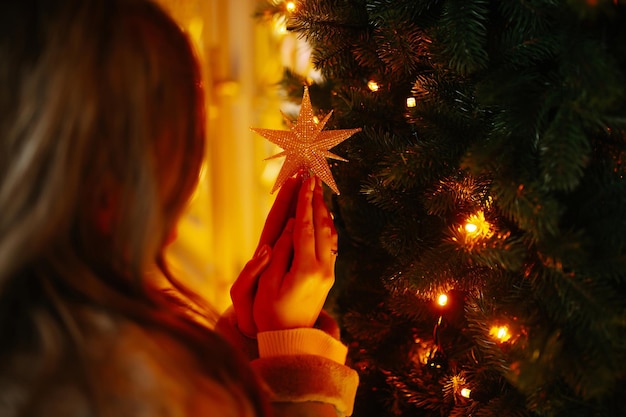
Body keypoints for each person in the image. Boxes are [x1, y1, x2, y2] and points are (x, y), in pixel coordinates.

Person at [0, 0, 358, 416]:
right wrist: (293, 347)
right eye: (172, 161)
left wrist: (251, 341)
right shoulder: (122, 388)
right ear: (107, 188)